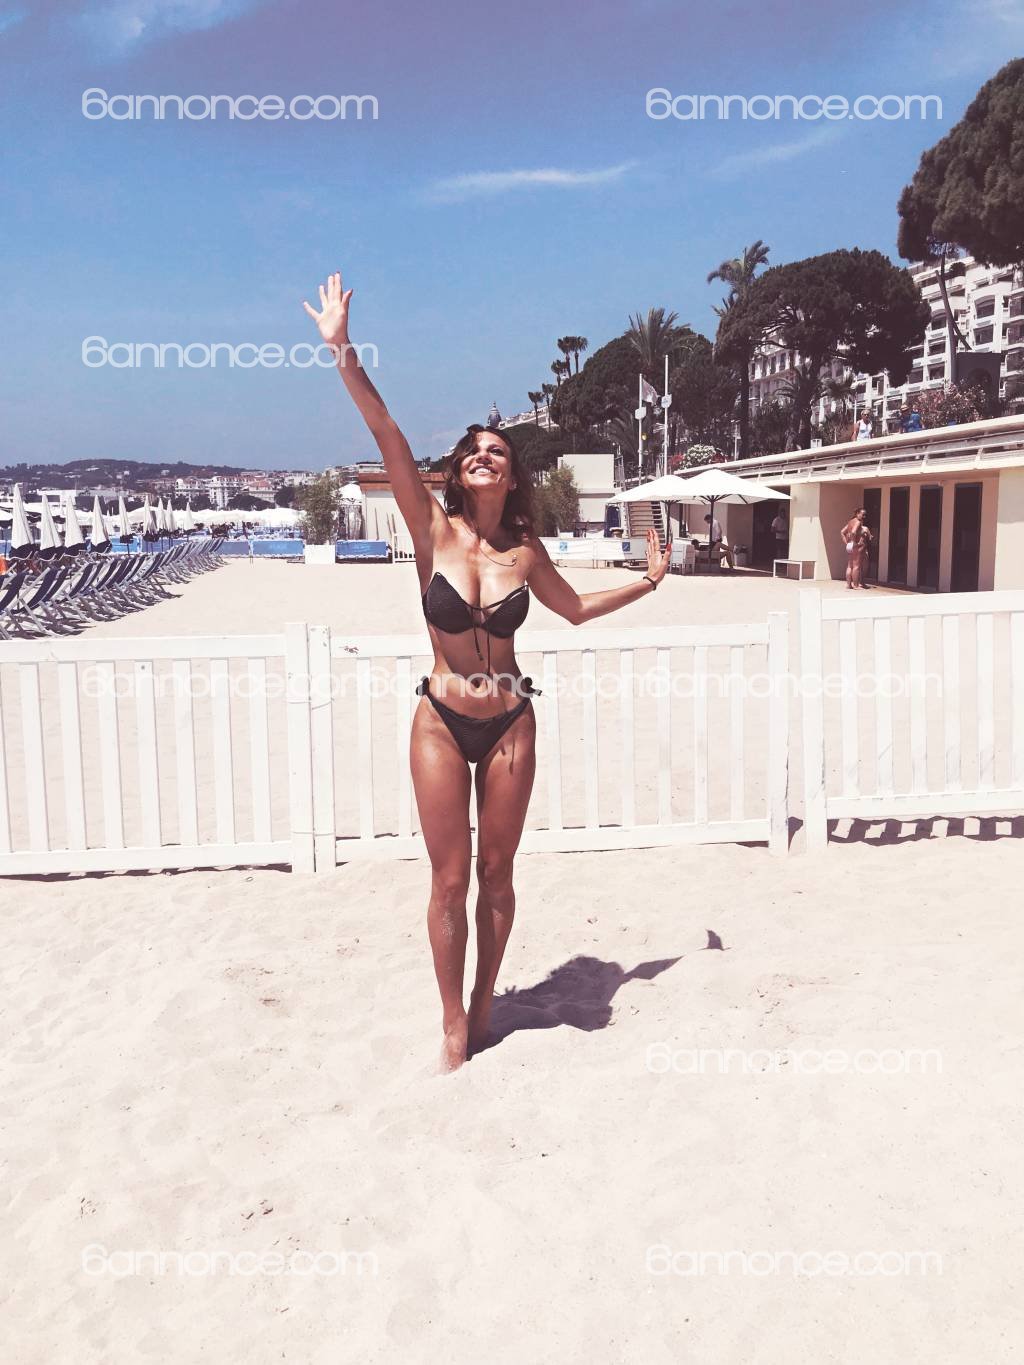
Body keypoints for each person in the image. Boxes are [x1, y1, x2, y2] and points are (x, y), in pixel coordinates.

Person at [303, 272, 671, 1072]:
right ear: (459, 471)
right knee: (449, 879)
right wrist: (343, 352)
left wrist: (647, 581)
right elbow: (386, 430)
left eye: (496, 452)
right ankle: (451, 1022)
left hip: (509, 724)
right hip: (440, 721)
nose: (482, 456)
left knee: (497, 876)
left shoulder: (525, 554)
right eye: (472, 451)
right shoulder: (431, 531)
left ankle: (483, 1001)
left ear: (510, 476)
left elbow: (574, 610)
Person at [840, 508, 867, 588]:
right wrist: (855, 542)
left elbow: (842, 532)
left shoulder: (850, 522)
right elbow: (853, 532)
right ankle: (856, 585)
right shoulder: (858, 522)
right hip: (856, 547)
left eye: (865, 515)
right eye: (863, 514)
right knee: (856, 566)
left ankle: (848, 585)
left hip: (850, 546)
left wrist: (847, 542)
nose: (864, 516)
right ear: (857, 514)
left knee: (849, 566)